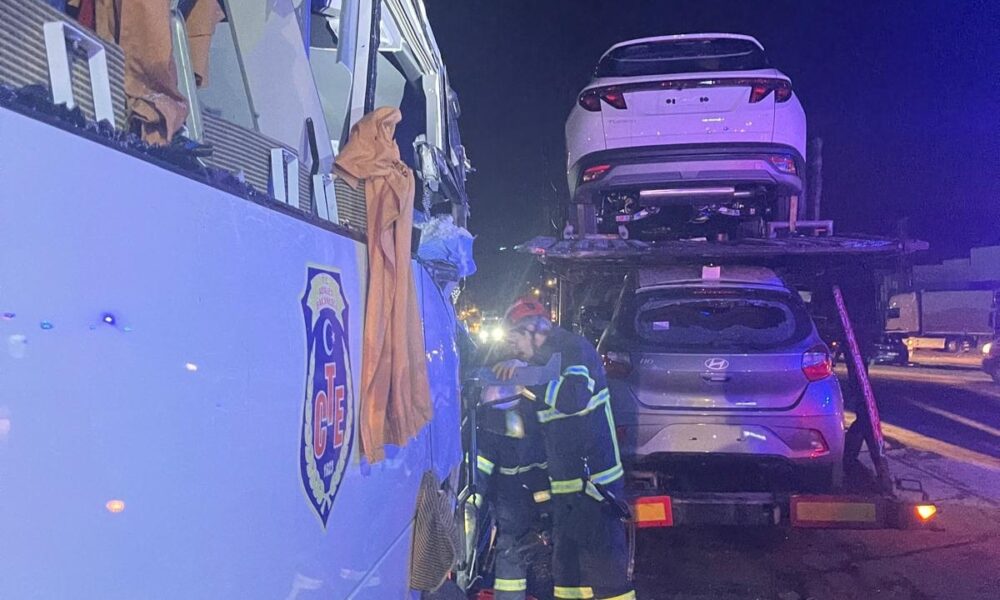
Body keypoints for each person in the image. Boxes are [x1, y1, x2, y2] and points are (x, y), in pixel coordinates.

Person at [494, 297, 634, 600]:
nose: (513, 349)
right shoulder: (537, 365)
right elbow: (535, 430)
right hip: (565, 491)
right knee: (568, 578)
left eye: (515, 340)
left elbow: (573, 398)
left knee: (606, 577)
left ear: (532, 330)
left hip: (597, 488)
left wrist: (523, 374)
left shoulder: (573, 349)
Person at [475, 385, 552, 600]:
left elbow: (479, 478)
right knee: (515, 551)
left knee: (512, 552)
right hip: (521, 505)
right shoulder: (532, 421)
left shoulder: (493, 426)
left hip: (515, 506)